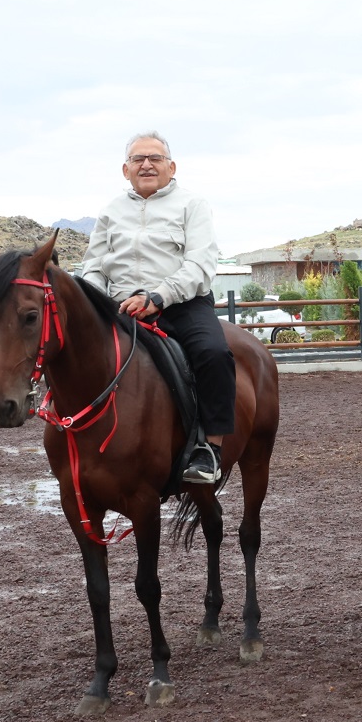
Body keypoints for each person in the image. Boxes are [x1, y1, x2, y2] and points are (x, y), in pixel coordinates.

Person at [78, 132, 231, 483]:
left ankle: (209, 448)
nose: (146, 164)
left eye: (155, 158)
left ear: (171, 166)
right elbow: (94, 265)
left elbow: (200, 264)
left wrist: (158, 296)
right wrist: (96, 300)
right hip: (119, 305)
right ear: (125, 169)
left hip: (181, 304)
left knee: (214, 353)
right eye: (138, 159)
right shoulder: (110, 211)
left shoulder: (193, 205)